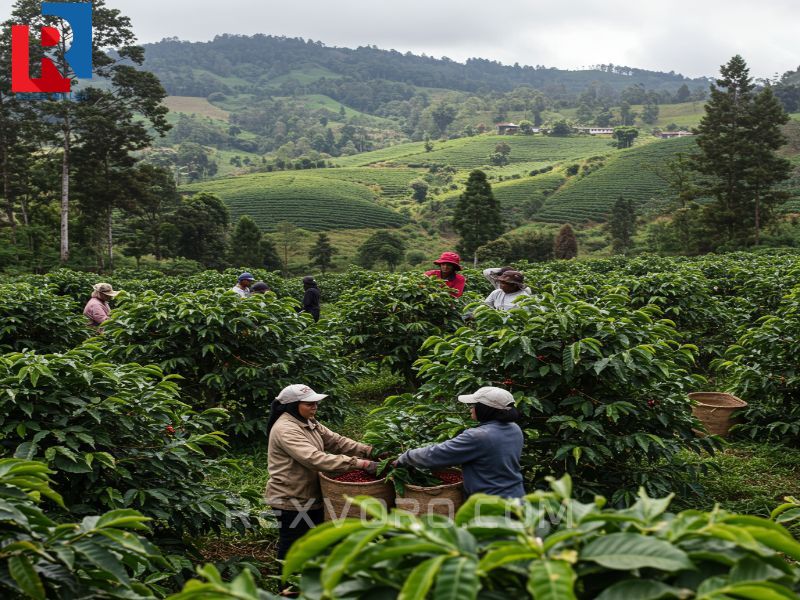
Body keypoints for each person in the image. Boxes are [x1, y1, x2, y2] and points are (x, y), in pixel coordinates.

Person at [265, 384, 378, 561]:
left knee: (314, 541)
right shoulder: (285, 429)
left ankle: (307, 580)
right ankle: (287, 585)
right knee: (293, 545)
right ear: (293, 405)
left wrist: (370, 451)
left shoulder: (308, 421)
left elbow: (337, 441)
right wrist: (360, 464)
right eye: (309, 403)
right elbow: (315, 459)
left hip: (311, 495)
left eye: (316, 403)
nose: (315, 407)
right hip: (291, 498)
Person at [395, 386, 524, 499]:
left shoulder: (478, 436)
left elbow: (437, 454)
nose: (471, 409)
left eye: (474, 406)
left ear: (485, 409)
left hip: (490, 503)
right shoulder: (514, 428)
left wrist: (406, 457)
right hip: (516, 495)